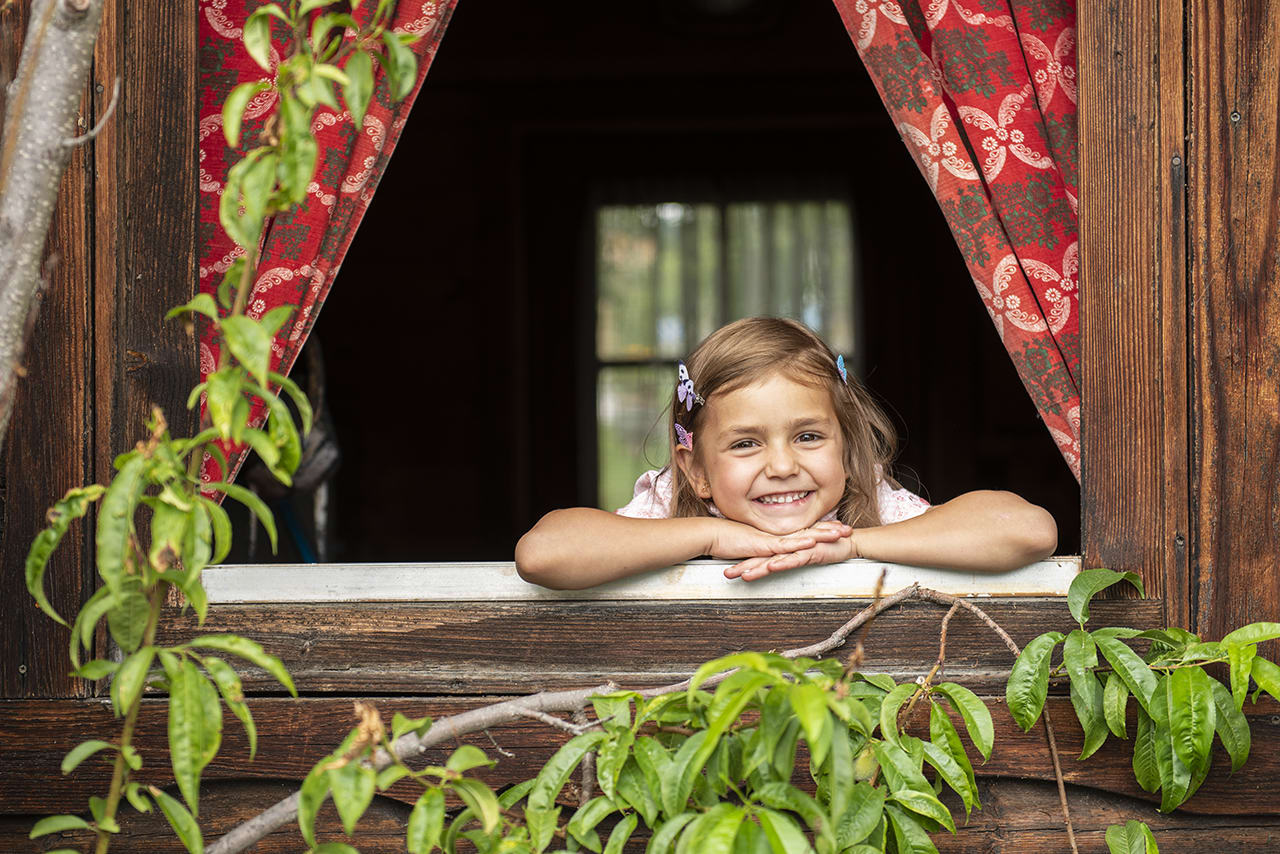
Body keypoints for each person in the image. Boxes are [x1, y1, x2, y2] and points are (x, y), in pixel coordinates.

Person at [516, 317, 1057, 590]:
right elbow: (543, 554)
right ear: (695, 470)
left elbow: (1027, 531)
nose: (781, 466)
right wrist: (711, 536)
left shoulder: (866, 507)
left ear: (847, 450)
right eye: (745, 444)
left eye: (808, 437)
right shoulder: (673, 508)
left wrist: (852, 546)